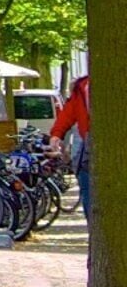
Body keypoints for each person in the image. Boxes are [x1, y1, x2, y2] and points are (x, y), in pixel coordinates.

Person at [54, 73, 91, 218]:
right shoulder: (82, 86)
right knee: (87, 190)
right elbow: (69, 112)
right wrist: (57, 134)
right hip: (88, 147)